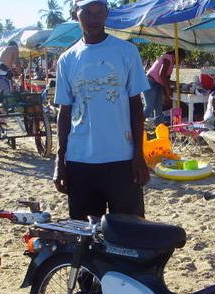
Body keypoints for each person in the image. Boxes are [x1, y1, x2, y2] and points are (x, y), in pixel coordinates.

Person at [53, 0, 150, 220]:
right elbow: (64, 111)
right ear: (76, 15)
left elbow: (136, 106)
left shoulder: (126, 51)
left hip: (122, 160)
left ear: (106, 14)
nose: (93, 19)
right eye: (87, 13)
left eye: (98, 13)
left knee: (128, 232)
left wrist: (138, 154)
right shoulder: (67, 59)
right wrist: (60, 159)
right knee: (85, 237)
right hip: (80, 162)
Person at [143, 48, 185, 125]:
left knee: (159, 108)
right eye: (180, 59)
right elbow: (162, 75)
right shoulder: (168, 58)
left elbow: (166, 78)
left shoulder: (172, 61)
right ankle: (135, 124)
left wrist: (173, 85)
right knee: (149, 108)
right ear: (177, 55)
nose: (179, 62)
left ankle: (160, 126)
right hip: (150, 82)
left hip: (157, 83)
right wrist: (168, 91)